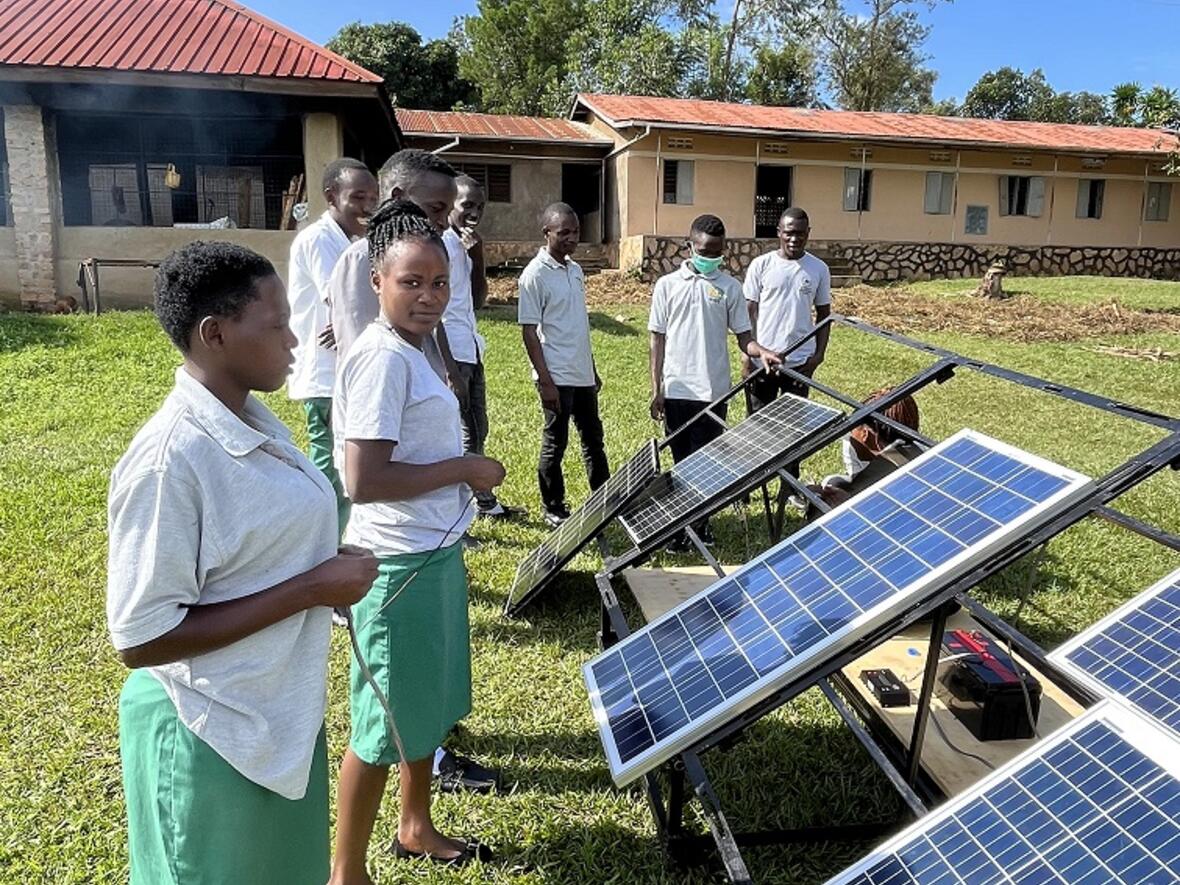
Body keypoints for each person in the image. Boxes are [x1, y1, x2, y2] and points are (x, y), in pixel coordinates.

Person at [106, 242, 378, 884]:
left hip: (275, 717)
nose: (295, 339)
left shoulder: (255, 423)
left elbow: (252, 549)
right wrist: (312, 586)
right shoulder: (170, 460)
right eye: (277, 322)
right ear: (215, 333)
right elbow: (142, 637)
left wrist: (319, 564)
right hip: (208, 732)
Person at [329, 201, 505, 880]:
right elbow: (365, 477)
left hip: (432, 554)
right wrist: (465, 467)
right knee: (380, 726)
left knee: (423, 708)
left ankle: (415, 824)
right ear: (377, 281)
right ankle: (345, 871)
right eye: (412, 282)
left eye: (439, 283)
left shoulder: (414, 348)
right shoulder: (380, 359)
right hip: (394, 566)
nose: (429, 295)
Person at [649, 214, 783, 547]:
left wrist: (760, 351)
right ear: (689, 246)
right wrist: (657, 389)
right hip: (678, 389)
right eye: (705, 251)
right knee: (681, 463)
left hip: (713, 391)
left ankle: (700, 526)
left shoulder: (729, 288)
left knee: (705, 463)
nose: (711, 258)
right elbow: (657, 339)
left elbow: (743, 338)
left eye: (717, 252)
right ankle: (680, 530)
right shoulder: (667, 286)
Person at [286, 157, 378, 531]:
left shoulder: (354, 241)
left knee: (349, 462)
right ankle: (323, 548)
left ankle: (341, 542)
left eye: (374, 197)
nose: (368, 206)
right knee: (330, 469)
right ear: (331, 197)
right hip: (325, 374)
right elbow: (343, 299)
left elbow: (356, 307)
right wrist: (354, 318)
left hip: (347, 367)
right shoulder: (320, 240)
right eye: (358, 197)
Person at [518, 202, 609, 527]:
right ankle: (553, 506)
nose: (572, 238)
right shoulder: (534, 275)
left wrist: (592, 369)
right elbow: (529, 332)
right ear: (547, 234)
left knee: (593, 441)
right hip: (556, 375)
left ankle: (604, 499)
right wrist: (545, 381)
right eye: (564, 232)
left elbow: (577, 324)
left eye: (575, 232)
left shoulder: (575, 270)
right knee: (556, 443)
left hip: (582, 374)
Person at [442, 174, 521, 520]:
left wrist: (478, 255)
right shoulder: (441, 244)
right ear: (449, 206)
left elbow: (478, 300)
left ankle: (483, 501)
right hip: (451, 353)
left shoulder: (466, 244)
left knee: (477, 427)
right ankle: (462, 514)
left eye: (480, 206)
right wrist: (446, 367)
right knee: (462, 433)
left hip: (470, 347)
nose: (474, 213)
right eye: (467, 205)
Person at [742, 207, 832, 411]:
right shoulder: (761, 265)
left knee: (794, 429)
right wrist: (748, 356)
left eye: (800, 233)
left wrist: (818, 356)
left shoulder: (819, 269)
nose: (794, 239)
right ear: (779, 232)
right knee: (758, 428)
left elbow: (824, 315)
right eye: (789, 232)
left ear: (808, 233)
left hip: (800, 363)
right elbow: (749, 313)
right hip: (763, 361)